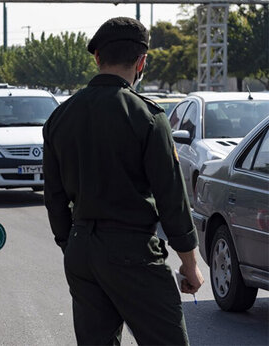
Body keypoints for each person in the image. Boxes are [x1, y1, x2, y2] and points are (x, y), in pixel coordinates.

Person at [43, 17, 204, 345]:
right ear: (141, 62)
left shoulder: (60, 116)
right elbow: (172, 198)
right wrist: (190, 263)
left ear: (97, 58)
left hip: (81, 249)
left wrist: (69, 242)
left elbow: (54, 196)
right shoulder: (148, 116)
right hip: (132, 251)